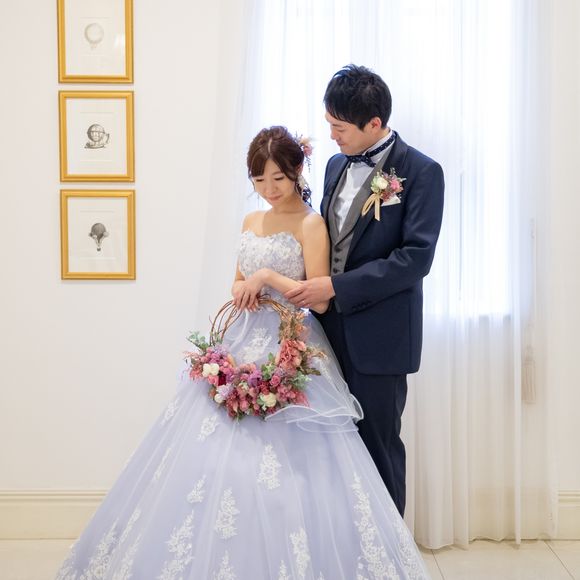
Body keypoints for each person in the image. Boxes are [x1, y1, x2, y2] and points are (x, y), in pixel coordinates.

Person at [55, 126, 431, 579]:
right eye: (259, 180)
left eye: (278, 178)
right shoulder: (251, 220)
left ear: (297, 172)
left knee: (291, 462)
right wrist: (243, 288)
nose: (269, 189)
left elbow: (319, 299)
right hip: (242, 337)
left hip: (290, 338)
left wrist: (267, 278)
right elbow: (236, 281)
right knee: (214, 456)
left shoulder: (312, 224)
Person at [286, 65, 445, 517]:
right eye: (329, 124)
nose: (331, 136)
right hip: (325, 333)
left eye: (339, 127)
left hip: (382, 338)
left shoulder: (422, 172)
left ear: (374, 123)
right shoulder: (335, 165)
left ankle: (388, 551)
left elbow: (415, 259)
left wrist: (336, 286)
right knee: (329, 447)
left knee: (378, 445)